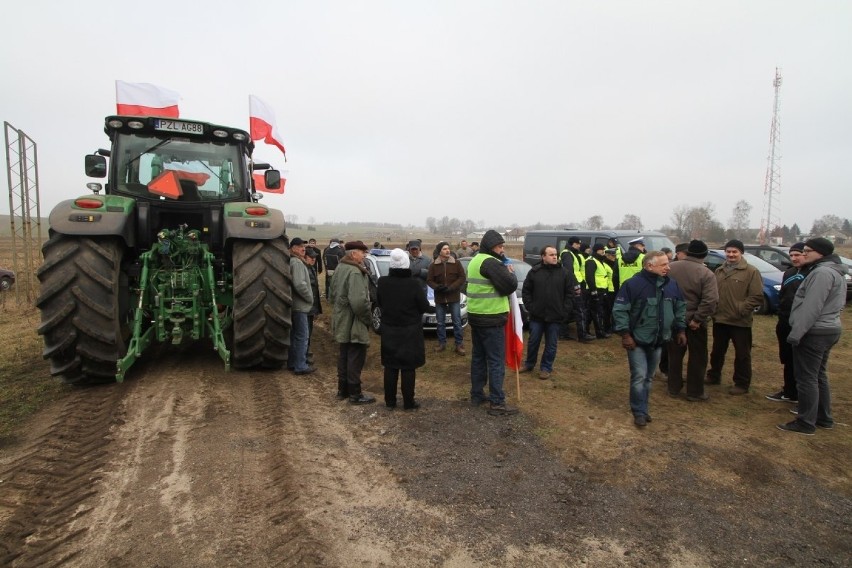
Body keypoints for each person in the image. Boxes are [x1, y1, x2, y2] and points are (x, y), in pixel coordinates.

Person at [778, 238, 846, 435]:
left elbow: (811, 307)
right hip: (828, 328)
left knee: (807, 377)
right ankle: (823, 418)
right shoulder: (834, 271)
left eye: (808, 251)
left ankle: (806, 422)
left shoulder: (822, 273)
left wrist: (796, 333)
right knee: (818, 375)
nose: (804, 253)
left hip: (814, 331)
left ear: (821, 253)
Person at [613, 251, 687, 427]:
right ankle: (638, 412)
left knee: (649, 377)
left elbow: (680, 309)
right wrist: (625, 334)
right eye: (663, 264)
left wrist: (681, 330)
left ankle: (644, 409)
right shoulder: (633, 285)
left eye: (668, 264)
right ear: (649, 266)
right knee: (639, 376)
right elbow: (620, 310)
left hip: (659, 341)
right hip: (637, 341)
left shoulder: (672, 286)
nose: (668, 267)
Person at [466, 229, 519, 416]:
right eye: (499, 246)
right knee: (496, 361)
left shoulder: (475, 260)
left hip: (476, 316)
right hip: (491, 317)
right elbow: (510, 285)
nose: (502, 250)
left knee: (479, 357)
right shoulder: (491, 262)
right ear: (491, 247)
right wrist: (510, 271)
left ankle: (477, 395)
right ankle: (497, 402)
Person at [705, 239, 764, 395]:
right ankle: (713, 375)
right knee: (717, 351)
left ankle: (742, 383)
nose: (731, 255)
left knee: (742, 354)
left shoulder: (751, 272)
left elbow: (756, 296)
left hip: (740, 321)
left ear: (741, 253)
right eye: (728, 252)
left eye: (734, 252)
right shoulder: (719, 271)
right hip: (720, 319)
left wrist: (741, 309)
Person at [665, 240, 719, 401]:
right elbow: (710, 300)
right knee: (697, 356)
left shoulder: (671, 268)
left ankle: (673, 387)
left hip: (674, 319)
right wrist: (697, 319)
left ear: (687, 253)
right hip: (694, 322)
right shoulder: (706, 273)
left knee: (674, 354)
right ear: (704, 255)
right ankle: (694, 391)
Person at [378, 248, 430, 410]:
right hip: (410, 331)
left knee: (390, 366)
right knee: (408, 367)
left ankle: (390, 402)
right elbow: (423, 306)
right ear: (406, 264)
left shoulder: (383, 282)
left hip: (389, 329)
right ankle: (408, 402)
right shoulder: (413, 284)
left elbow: (379, 302)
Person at [329, 240, 376, 404]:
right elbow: (358, 302)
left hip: (341, 319)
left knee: (344, 355)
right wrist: (368, 319)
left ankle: (343, 391)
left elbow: (331, 295)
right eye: (362, 252)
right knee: (355, 356)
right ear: (353, 253)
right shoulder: (355, 272)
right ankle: (355, 394)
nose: (364, 255)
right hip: (354, 321)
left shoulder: (340, 268)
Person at [521, 245, 574, 380]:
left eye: (555, 254)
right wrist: (531, 307)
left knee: (551, 344)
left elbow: (570, 294)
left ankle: (546, 368)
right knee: (533, 342)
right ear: (543, 257)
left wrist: (564, 311)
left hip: (556, 316)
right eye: (551, 255)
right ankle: (529, 364)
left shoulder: (564, 273)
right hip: (537, 316)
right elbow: (526, 291)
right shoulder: (534, 272)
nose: (555, 257)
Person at [765, 242, 806, 404]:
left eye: (798, 255)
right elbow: (783, 295)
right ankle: (789, 391)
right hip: (784, 321)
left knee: (802, 362)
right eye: (792, 255)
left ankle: (803, 396)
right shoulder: (788, 273)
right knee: (787, 358)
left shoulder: (812, 274)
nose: (794, 258)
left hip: (802, 323)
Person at [427, 241, 467, 354]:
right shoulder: (433, 265)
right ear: (440, 251)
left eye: (448, 248)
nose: (448, 250)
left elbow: (462, 278)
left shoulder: (456, 263)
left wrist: (452, 287)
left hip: (453, 296)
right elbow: (429, 280)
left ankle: (459, 344)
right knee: (440, 322)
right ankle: (441, 343)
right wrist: (437, 287)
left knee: (457, 321)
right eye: (444, 249)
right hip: (440, 298)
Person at [287, 238, 315, 375]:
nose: (303, 249)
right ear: (292, 248)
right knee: (302, 336)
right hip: (300, 306)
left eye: (303, 246)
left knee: (294, 335)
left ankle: (292, 362)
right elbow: (299, 284)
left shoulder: (293, 261)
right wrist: (310, 298)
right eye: (299, 246)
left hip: (295, 305)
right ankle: (300, 365)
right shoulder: (297, 263)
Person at [561, 236, 594, 342]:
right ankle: (582, 335)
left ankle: (564, 333)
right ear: (572, 244)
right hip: (573, 286)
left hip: (578, 284)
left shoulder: (575, 254)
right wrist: (576, 285)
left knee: (571, 310)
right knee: (579, 310)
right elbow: (569, 271)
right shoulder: (567, 253)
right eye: (577, 244)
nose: (579, 245)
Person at [584, 243, 612, 338]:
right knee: (596, 312)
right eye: (601, 249)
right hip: (595, 290)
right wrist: (593, 291)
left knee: (593, 312)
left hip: (600, 290)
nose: (603, 251)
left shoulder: (599, 260)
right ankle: (599, 333)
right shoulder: (591, 261)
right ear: (596, 250)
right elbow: (589, 277)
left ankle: (588, 331)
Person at [304, 247, 323, 366]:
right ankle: (304, 355)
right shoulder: (304, 269)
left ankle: (306, 353)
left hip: (311, 307)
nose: (314, 260)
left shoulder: (311, 269)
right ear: (305, 257)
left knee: (308, 332)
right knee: (304, 333)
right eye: (311, 257)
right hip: (306, 307)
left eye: (315, 258)